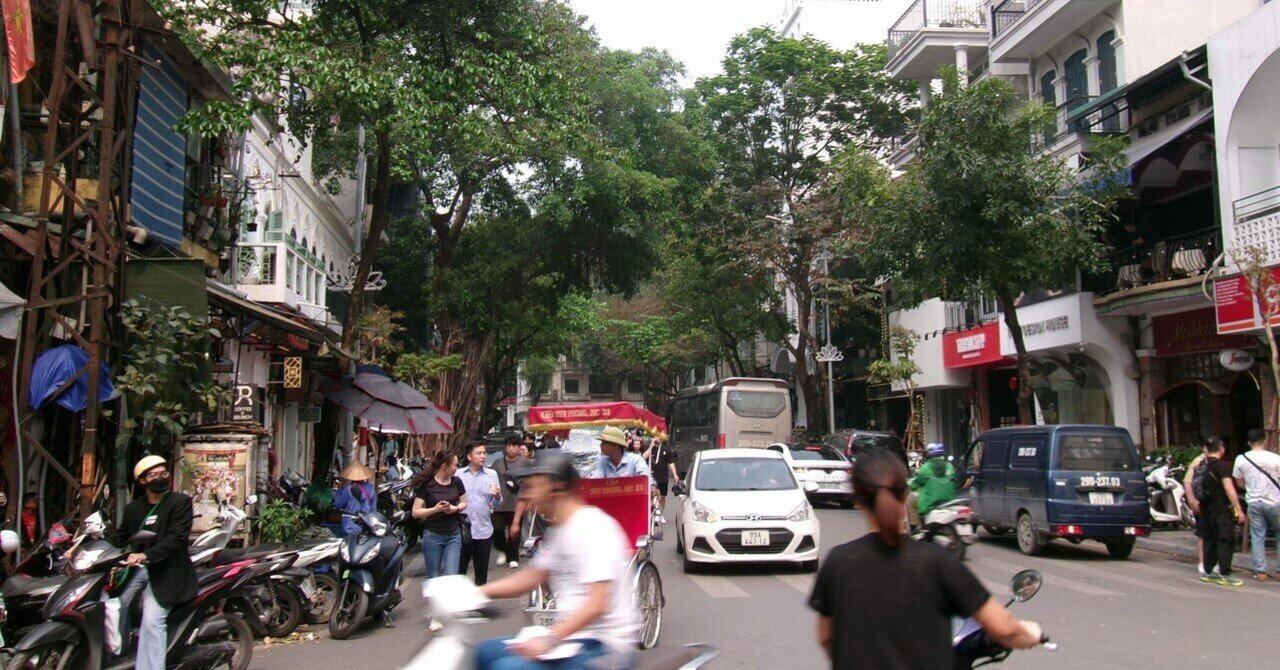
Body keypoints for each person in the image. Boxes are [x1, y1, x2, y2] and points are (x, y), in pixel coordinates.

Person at [809, 449, 1041, 669]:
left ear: (858, 501)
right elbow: (1004, 628)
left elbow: (827, 638)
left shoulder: (838, 562)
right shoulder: (937, 562)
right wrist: (1031, 633)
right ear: (905, 495)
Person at [476, 450, 639, 670]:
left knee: (509, 668)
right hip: (572, 639)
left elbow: (597, 603)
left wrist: (550, 639)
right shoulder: (559, 531)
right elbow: (532, 576)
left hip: (603, 646)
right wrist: (476, 593)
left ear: (557, 488)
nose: (528, 496)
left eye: (534, 487)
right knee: (486, 652)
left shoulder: (594, 527)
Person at [112, 456, 198, 670]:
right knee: (116, 607)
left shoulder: (179, 502)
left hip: (169, 571)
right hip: (140, 571)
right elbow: (120, 537)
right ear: (142, 481)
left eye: (163, 474)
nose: (159, 478)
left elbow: (176, 539)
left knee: (152, 619)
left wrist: (145, 555)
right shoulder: (134, 509)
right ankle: (120, 657)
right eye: (153, 475)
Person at [413, 449, 468, 630]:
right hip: (433, 535)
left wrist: (455, 508)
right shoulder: (427, 486)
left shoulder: (457, 482)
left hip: (453, 534)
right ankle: (435, 615)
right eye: (455, 465)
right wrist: (435, 509)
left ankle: (448, 612)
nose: (456, 468)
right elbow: (416, 512)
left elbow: (464, 502)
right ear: (445, 466)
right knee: (433, 576)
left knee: (451, 575)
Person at [1197, 437, 1246, 587]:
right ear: (1221, 449)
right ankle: (1224, 573)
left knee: (1210, 539)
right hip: (1220, 509)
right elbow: (1228, 488)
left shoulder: (1201, 465)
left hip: (1205, 509)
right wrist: (1238, 508)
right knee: (1225, 539)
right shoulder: (1221, 466)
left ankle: (1208, 571)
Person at [1233, 428, 1280, 581]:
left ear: (1249, 442)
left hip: (1254, 501)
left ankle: (1260, 571)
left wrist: (1251, 488)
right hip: (1275, 502)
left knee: (1258, 536)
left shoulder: (1241, 459)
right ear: (1265, 440)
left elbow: (1239, 482)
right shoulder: (1275, 458)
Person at [459, 442, 502, 586]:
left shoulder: (492, 474)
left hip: (484, 529)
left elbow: (497, 503)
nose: (483, 456)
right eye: (479, 453)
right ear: (469, 456)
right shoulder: (458, 474)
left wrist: (496, 496)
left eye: (484, 453)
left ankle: (479, 598)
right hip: (462, 530)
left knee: (481, 569)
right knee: (460, 569)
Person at [492, 436, 532, 569]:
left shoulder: (524, 463)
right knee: (497, 530)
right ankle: (503, 549)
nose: (511, 448)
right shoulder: (497, 463)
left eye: (514, 446)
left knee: (514, 531)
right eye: (508, 445)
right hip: (499, 503)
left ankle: (513, 557)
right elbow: (491, 480)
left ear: (518, 447)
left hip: (517, 502)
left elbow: (529, 482)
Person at [907, 443, 956, 528]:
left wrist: (907, 485)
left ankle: (915, 527)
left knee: (910, 498)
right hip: (949, 501)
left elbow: (915, 484)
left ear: (929, 454)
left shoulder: (925, 467)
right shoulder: (950, 466)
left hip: (930, 503)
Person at [1183, 441, 1210, 576]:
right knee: (1203, 533)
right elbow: (1187, 481)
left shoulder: (1215, 461)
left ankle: (1211, 562)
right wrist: (1192, 500)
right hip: (1201, 502)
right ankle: (1202, 561)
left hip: (1211, 502)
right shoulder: (1198, 461)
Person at [332, 461, 377, 536]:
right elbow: (373, 509)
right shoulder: (371, 488)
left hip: (350, 527)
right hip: (367, 526)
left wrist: (338, 493)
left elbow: (337, 504)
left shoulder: (348, 489)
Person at [646, 438, 677, 515]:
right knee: (651, 495)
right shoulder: (649, 447)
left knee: (662, 497)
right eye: (657, 436)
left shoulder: (666, 449)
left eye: (660, 437)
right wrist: (651, 446)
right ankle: (650, 513)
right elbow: (643, 457)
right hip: (651, 476)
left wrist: (675, 475)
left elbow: (671, 463)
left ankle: (661, 514)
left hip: (662, 476)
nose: (658, 439)